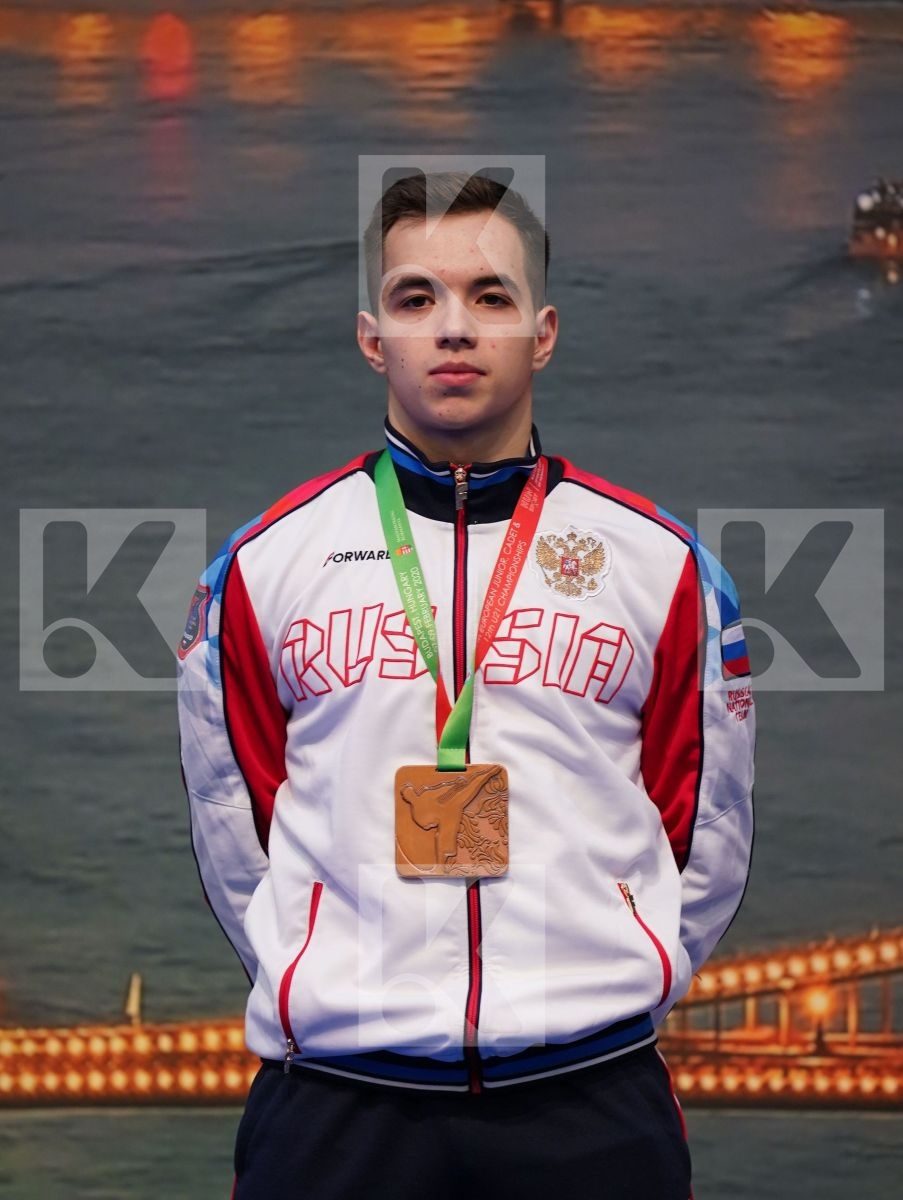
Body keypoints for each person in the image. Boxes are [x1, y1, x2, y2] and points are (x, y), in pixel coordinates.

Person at [176, 170, 755, 1200]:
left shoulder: (660, 565)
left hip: (591, 1102)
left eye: (489, 296)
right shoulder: (263, 566)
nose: (453, 328)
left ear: (542, 333)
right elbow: (239, 826)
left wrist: (619, 960)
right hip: (337, 1112)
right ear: (371, 338)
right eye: (416, 299)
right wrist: (326, 968)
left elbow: (702, 832)